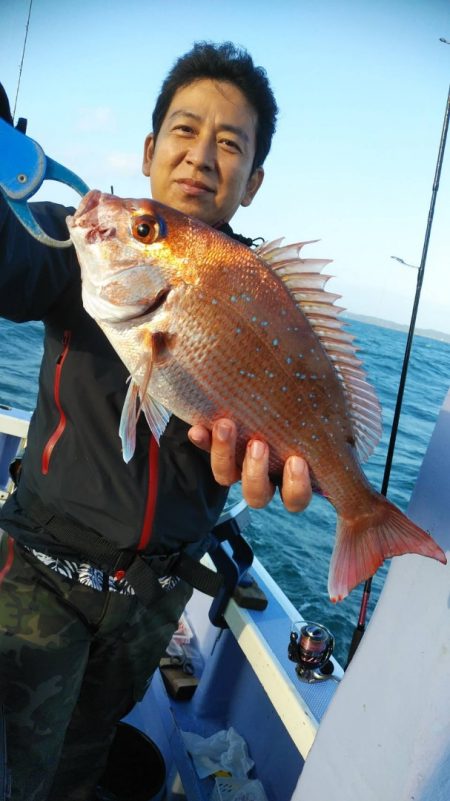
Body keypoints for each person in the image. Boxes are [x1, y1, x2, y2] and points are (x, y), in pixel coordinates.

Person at [0, 42, 312, 801]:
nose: (202, 155)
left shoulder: (262, 300)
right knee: (14, 761)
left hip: (154, 596)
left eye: (230, 143)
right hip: (45, 574)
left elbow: (279, 409)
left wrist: (273, 460)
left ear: (255, 180)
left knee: (86, 751)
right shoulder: (83, 241)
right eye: (184, 129)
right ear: (148, 150)